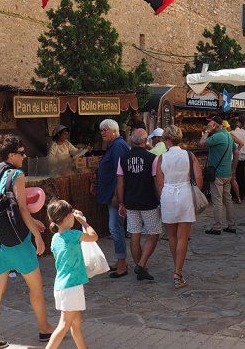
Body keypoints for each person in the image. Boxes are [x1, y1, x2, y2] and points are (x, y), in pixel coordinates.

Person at [0, 134, 54, 349]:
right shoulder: (17, 175)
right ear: (12, 154)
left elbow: (7, 207)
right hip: (19, 241)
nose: (25, 156)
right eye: (22, 153)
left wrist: (31, 221)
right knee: (36, 286)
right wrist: (37, 234)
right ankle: (44, 329)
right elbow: (21, 208)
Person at [45, 200, 98, 349]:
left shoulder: (55, 238)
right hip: (71, 287)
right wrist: (83, 221)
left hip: (61, 286)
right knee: (64, 324)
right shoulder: (73, 235)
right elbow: (94, 236)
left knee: (75, 323)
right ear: (68, 217)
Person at [156, 125, 202, 288]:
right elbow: (198, 179)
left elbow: (159, 183)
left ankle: (177, 269)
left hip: (168, 194)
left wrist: (164, 196)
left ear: (166, 140)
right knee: (183, 237)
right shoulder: (189, 155)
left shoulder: (162, 158)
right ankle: (178, 272)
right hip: (185, 194)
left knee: (172, 236)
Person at [117, 128, 160, 281]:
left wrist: (121, 202)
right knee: (153, 234)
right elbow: (156, 181)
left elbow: (120, 182)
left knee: (135, 234)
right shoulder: (152, 158)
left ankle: (141, 267)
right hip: (148, 200)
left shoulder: (123, 158)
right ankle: (141, 265)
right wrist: (160, 198)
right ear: (146, 140)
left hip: (130, 201)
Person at [92, 119, 131, 278]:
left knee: (115, 229)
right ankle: (120, 259)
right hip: (110, 193)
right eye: (101, 130)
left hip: (115, 195)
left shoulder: (118, 146)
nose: (102, 133)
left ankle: (122, 263)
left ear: (114, 131)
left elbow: (120, 173)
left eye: (105, 130)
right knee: (115, 228)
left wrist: (117, 196)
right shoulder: (113, 146)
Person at [200, 116, 236, 235]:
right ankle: (231, 225)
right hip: (227, 173)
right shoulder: (228, 136)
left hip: (217, 175)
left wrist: (207, 131)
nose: (209, 125)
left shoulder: (217, 136)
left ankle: (217, 226)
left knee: (217, 201)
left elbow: (201, 143)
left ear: (216, 125)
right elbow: (236, 151)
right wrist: (233, 168)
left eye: (210, 123)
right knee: (228, 199)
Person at [229, 118, 245, 203]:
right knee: (241, 175)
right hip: (242, 156)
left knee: (234, 176)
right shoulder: (243, 132)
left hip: (234, 156)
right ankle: (242, 194)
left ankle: (235, 195)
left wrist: (236, 151)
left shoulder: (231, 133)